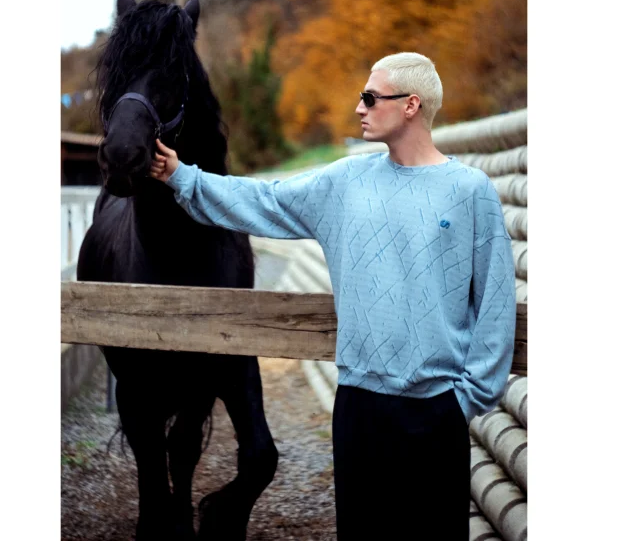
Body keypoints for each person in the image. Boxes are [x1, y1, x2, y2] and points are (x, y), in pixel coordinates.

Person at [150, 52, 516, 540]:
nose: (359, 107)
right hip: (358, 407)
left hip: (437, 410)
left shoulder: (470, 190)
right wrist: (183, 177)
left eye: (370, 97)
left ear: (411, 105)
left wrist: (465, 400)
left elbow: (495, 300)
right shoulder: (344, 182)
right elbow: (265, 199)